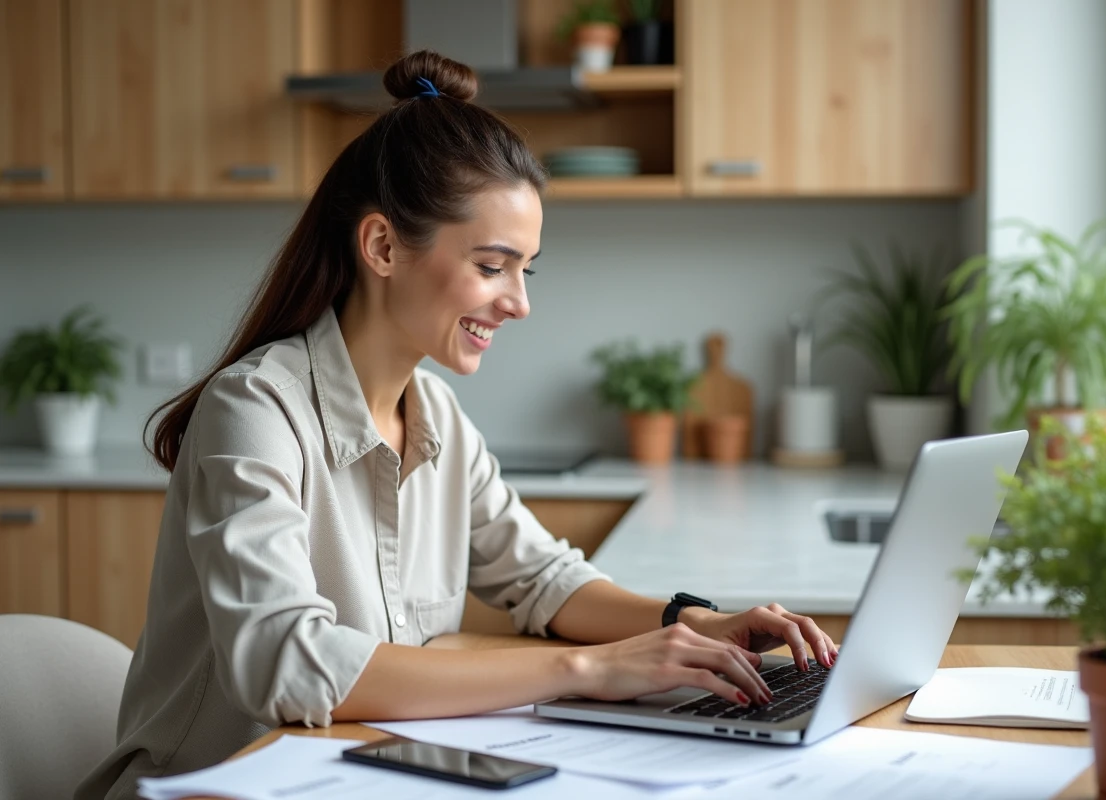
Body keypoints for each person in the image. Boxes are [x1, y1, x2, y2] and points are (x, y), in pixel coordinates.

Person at [75, 51, 837, 800]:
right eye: (492, 265)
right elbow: (287, 663)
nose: (519, 302)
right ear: (381, 246)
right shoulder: (255, 409)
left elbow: (543, 581)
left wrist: (699, 623)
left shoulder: (434, 410)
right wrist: (591, 668)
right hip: (216, 787)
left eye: (525, 269)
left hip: (362, 772)